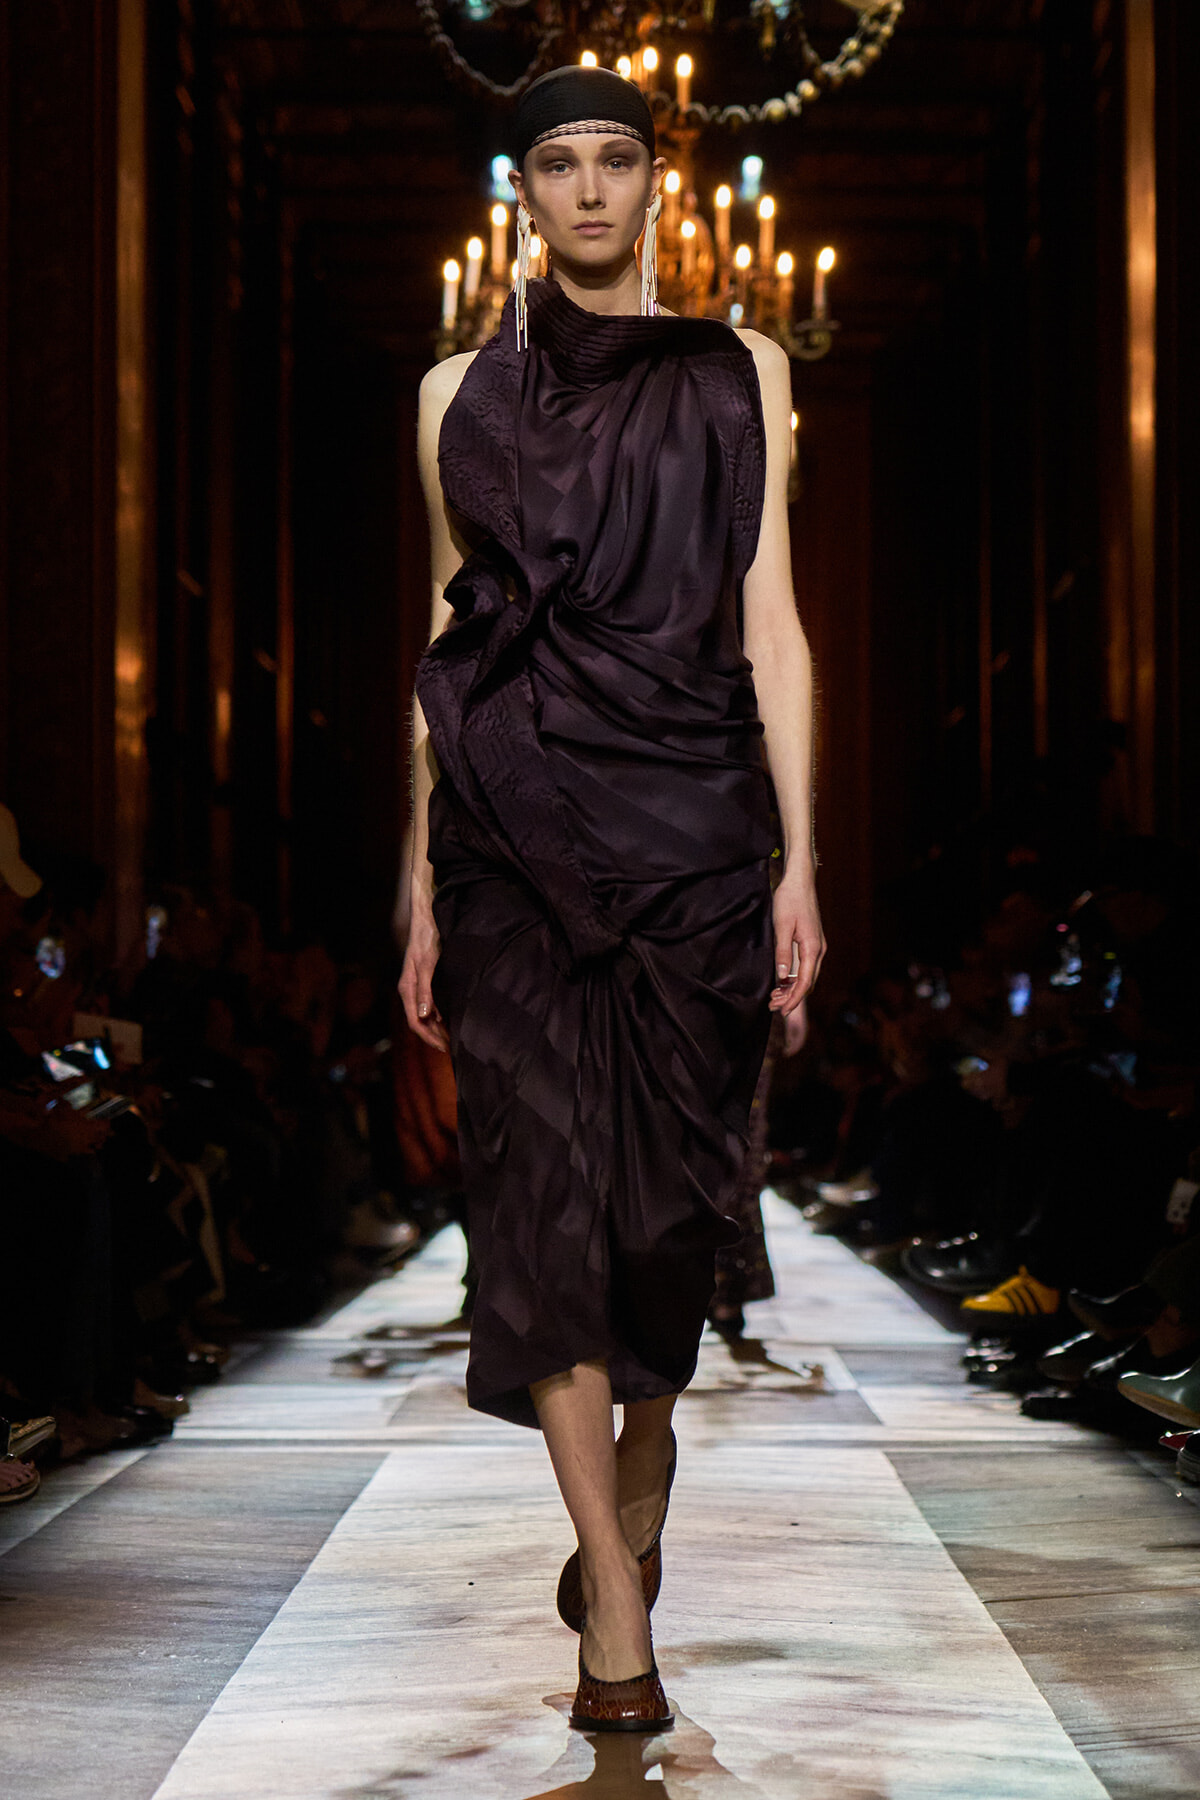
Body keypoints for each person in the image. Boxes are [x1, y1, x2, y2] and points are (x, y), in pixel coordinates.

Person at [399, 66, 823, 1732]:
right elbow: (427, 648)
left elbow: (772, 625)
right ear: (525, 194)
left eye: (616, 161)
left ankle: (638, 1484)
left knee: (669, 1224)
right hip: (507, 843)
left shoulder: (745, 373)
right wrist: (414, 889)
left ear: (658, 185)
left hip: (699, 834)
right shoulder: (452, 396)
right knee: (544, 1214)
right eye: (558, 164)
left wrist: (804, 856)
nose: (589, 190)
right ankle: (618, 1612)